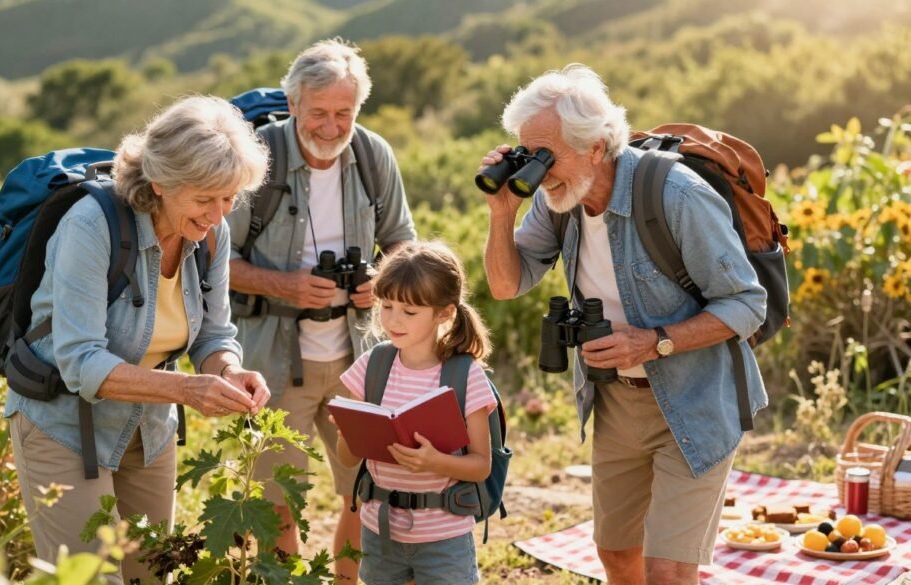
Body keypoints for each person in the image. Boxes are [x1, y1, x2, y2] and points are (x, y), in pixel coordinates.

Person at [481, 64, 768, 585]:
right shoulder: (559, 198)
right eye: (529, 153)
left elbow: (747, 304)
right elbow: (506, 284)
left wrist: (654, 342)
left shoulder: (677, 196)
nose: (538, 171)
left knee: (668, 570)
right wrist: (501, 212)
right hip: (614, 400)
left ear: (595, 147)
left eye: (548, 155)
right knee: (616, 555)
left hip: (694, 396)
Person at [5, 95, 272, 584]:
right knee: (89, 578)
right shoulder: (91, 226)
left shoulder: (211, 233)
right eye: (205, 198)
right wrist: (188, 391)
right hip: (61, 424)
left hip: (147, 427)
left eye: (230, 197)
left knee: (152, 574)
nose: (219, 214)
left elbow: (213, 334)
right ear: (160, 184)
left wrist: (230, 370)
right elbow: (81, 363)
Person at [226, 38, 416, 581]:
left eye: (344, 113)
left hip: (359, 357)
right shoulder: (256, 160)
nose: (332, 127)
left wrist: (382, 279)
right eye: (319, 114)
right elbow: (210, 258)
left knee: (368, 491)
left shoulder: (373, 155)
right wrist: (282, 284)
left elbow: (403, 240)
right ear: (291, 105)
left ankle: (347, 579)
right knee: (276, 501)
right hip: (271, 360)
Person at [334, 240, 495, 585]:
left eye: (409, 312)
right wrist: (350, 430)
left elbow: (481, 465)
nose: (394, 320)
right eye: (386, 306)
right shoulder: (372, 366)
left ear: (445, 312)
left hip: (444, 538)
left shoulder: (464, 376)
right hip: (379, 532)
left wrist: (433, 462)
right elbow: (346, 459)